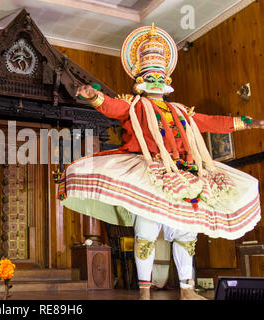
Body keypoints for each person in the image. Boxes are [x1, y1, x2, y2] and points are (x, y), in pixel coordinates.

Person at [60, 24, 263, 300]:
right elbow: (110, 106)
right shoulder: (133, 105)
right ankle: (144, 291)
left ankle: (187, 289)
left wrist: (247, 124)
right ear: (139, 79)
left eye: (159, 76)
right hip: (149, 172)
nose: (155, 81)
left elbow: (212, 122)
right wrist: (94, 96)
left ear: (166, 79)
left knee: (186, 233)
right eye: (149, 76)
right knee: (146, 233)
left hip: (185, 173)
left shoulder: (182, 112)